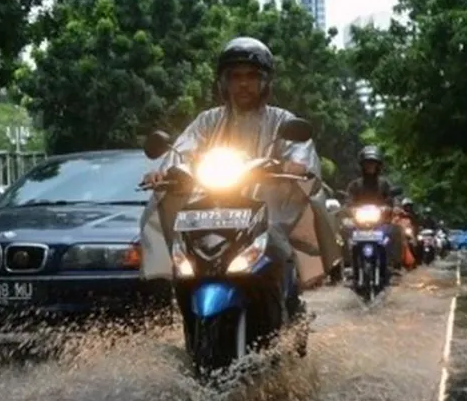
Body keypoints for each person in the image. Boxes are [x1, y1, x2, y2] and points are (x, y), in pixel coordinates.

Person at [138, 37, 340, 319]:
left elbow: (301, 155)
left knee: (279, 246)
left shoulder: (281, 121)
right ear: (224, 82)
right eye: (235, 76)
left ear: (265, 82)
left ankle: (289, 304)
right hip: (212, 208)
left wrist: (295, 165)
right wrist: (165, 170)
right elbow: (183, 150)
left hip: (266, 210)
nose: (243, 84)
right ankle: (183, 305)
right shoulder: (207, 121)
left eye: (251, 76)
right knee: (183, 254)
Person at [343, 146, 400, 280]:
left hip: (380, 223)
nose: (370, 166)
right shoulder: (355, 185)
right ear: (362, 165)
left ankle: (392, 264)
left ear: (378, 165)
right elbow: (348, 200)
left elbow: (391, 199)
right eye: (367, 163)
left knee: (394, 232)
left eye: (373, 163)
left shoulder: (384, 184)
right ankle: (348, 265)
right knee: (344, 231)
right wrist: (350, 208)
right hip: (359, 223)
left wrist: (389, 207)